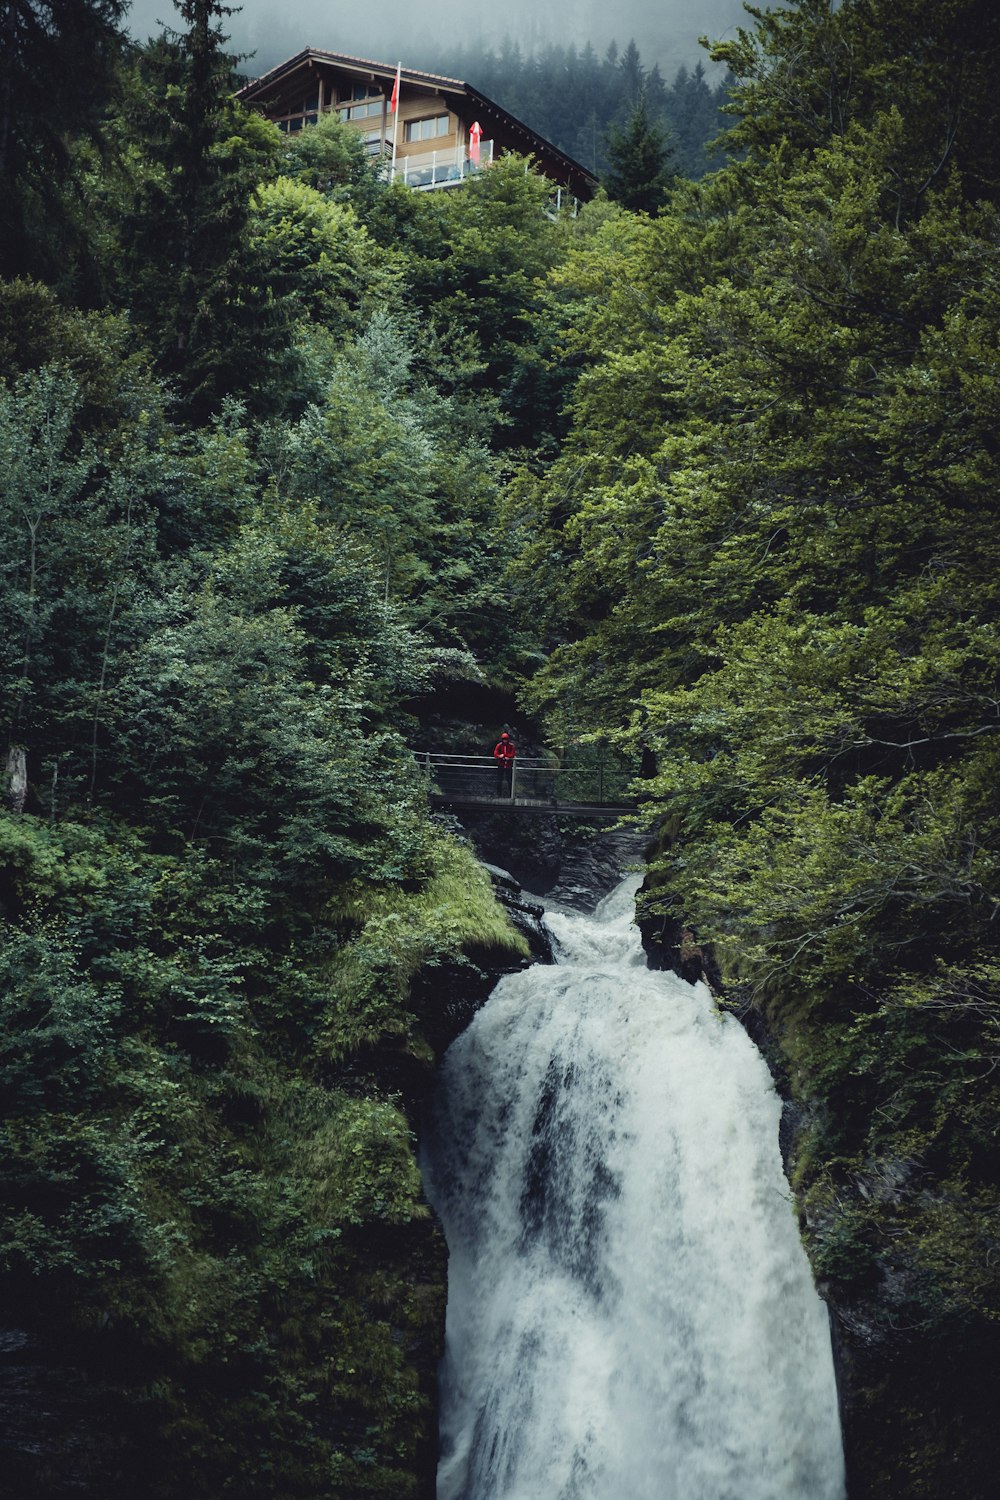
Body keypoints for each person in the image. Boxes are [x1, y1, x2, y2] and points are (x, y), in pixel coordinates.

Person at [493, 731, 516, 797]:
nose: (505, 741)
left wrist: (506, 756)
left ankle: (511, 795)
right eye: (504, 739)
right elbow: (495, 753)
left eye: (506, 739)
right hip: (501, 765)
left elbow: (512, 754)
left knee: (509, 780)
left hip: (508, 765)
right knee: (499, 780)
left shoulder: (511, 746)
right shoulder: (499, 745)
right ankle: (498, 794)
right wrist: (500, 756)